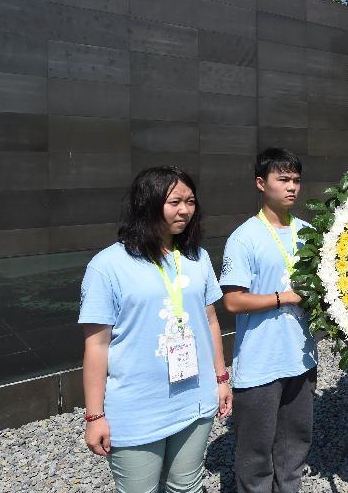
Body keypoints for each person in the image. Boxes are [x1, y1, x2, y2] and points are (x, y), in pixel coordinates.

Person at [79, 166, 232, 493]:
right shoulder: (108, 266)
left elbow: (211, 320)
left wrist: (221, 380)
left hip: (195, 399)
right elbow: (97, 345)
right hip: (137, 408)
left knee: (187, 486)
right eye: (175, 201)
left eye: (190, 201)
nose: (185, 210)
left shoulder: (197, 257)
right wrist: (94, 417)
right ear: (147, 204)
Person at [220, 148, 317, 493]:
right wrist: (283, 297)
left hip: (302, 358)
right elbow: (232, 301)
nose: (292, 187)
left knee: (295, 445)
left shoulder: (309, 233)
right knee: (255, 454)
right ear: (261, 183)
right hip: (261, 362)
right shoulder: (244, 238)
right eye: (283, 179)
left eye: (296, 180)